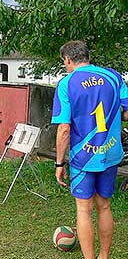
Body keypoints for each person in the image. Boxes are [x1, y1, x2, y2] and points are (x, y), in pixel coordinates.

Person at [52, 40, 128, 259]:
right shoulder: (114, 77)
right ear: (87, 56)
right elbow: (127, 113)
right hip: (110, 154)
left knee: (84, 210)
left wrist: (59, 163)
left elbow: (64, 129)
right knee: (104, 206)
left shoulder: (66, 84)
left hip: (83, 158)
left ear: (68, 59)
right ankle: (104, 256)